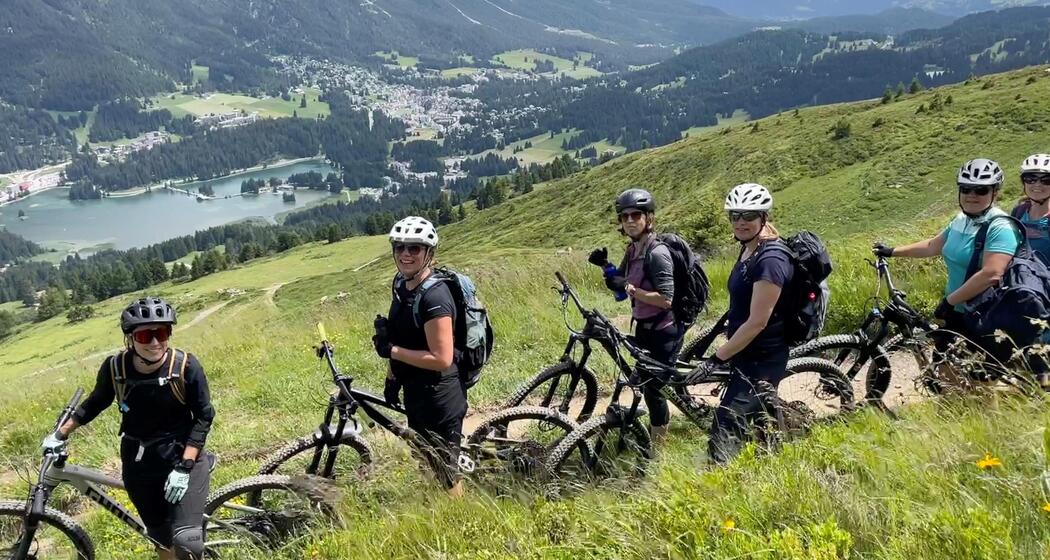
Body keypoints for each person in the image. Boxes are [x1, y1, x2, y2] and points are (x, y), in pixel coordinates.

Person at [41, 297, 215, 560]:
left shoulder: (186, 366)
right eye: (146, 335)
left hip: (182, 456)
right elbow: (95, 402)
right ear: (131, 339)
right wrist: (60, 433)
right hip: (138, 462)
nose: (156, 342)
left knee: (187, 542)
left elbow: (203, 416)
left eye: (162, 332)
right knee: (159, 536)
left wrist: (185, 466)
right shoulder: (115, 368)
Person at [873, 158, 1021, 384]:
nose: (972, 195)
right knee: (946, 369)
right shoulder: (960, 220)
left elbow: (991, 273)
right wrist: (892, 251)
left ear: (995, 192)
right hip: (955, 311)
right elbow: (934, 245)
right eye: (966, 189)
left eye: (981, 190)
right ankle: (952, 412)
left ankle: (988, 417)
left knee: (981, 381)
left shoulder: (1000, 226)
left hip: (984, 315)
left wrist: (949, 301)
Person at [683, 183, 793, 464]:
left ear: (763, 218)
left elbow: (757, 322)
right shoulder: (748, 249)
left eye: (749, 215)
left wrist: (716, 359)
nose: (741, 221)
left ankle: (722, 486)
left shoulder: (771, 259)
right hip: (744, 353)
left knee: (725, 428)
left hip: (763, 358)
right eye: (735, 216)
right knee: (754, 423)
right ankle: (771, 459)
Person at [373, 216, 467, 497]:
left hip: (439, 397)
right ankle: (437, 509)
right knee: (425, 460)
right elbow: (404, 338)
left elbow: (441, 358)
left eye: (414, 248)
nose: (405, 254)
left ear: (429, 254)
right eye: (400, 247)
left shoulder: (434, 298)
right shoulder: (402, 285)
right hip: (416, 391)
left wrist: (391, 351)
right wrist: (392, 376)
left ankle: (462, 523)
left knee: (447, 473)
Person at [589, 188, 684, 444]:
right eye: (624, 216)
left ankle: (659, 450)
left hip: (664, 330)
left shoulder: (657, 253)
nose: (630, 220)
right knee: (647, 383)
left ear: (648, 217)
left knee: (655, 390)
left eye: (636, 215)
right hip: (644, 327)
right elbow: (621, 284)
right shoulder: (633, 250)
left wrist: (634, 290)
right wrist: (606, 268)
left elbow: (666, 299)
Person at [1012, 154, 1050, 388]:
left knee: (1043, 344)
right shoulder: (1019, 211)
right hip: (1023, 287)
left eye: (1045, 179)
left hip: (1046, 291)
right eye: (1031, 178)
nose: (1037, 184)